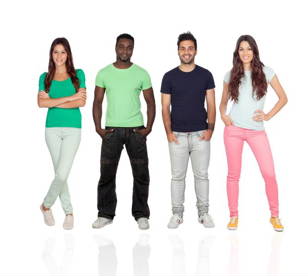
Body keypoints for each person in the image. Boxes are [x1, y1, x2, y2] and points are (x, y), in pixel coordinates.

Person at [219, 35, 288, 231]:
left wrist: (267, 115)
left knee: (269, 173)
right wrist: (224, 116)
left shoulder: (266, 72)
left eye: (249, 48)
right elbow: (223, 103)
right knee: (233, 174)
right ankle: (233, 216)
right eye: (241, 49)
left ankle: (275, 215)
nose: (245, 52)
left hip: (257, 132)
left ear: (254, 51)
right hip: (233, 130)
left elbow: (283, 98)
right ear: (237, 53)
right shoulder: (230, 74)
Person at [92, 33, 156, 230]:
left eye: (129, 47)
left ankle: (141, 214)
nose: (125, 51)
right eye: (122, 46)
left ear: (133, 49)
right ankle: (105, 214)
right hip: (111, 131)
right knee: (107, 174)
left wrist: (148, 128)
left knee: (141, 174)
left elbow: (151, 102)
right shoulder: (104, 73)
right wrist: (98, 129)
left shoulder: (142, 73)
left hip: (136, 130)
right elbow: (97, 102)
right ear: (115, 47)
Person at [161, 32, 216, 229]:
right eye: (183, 48)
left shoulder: (206, 75)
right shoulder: (169, 77)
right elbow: (164, 107)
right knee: (177, 176)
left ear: (196, 51)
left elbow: (211, 104)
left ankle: (204, 213)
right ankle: (177, 214)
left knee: (202, 175)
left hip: (201, 133)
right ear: (178, 51)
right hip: (176, 135)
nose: (186, 52)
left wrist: (210, 129)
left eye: (190, 48)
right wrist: (168, 132)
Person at [38, 37, 86, 230]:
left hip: (73, 128)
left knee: (62, 172)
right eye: (56, 52)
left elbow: (81, 102)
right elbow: (41, 103)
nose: (59, 56)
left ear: (68, 54)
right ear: (51, 54)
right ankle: (69, 212)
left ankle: (46, 205)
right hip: (52, 129)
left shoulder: (78, 74)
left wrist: (55, 100)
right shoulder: (45, 77)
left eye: (63, 52)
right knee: (60, 172)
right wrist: (70, 97)